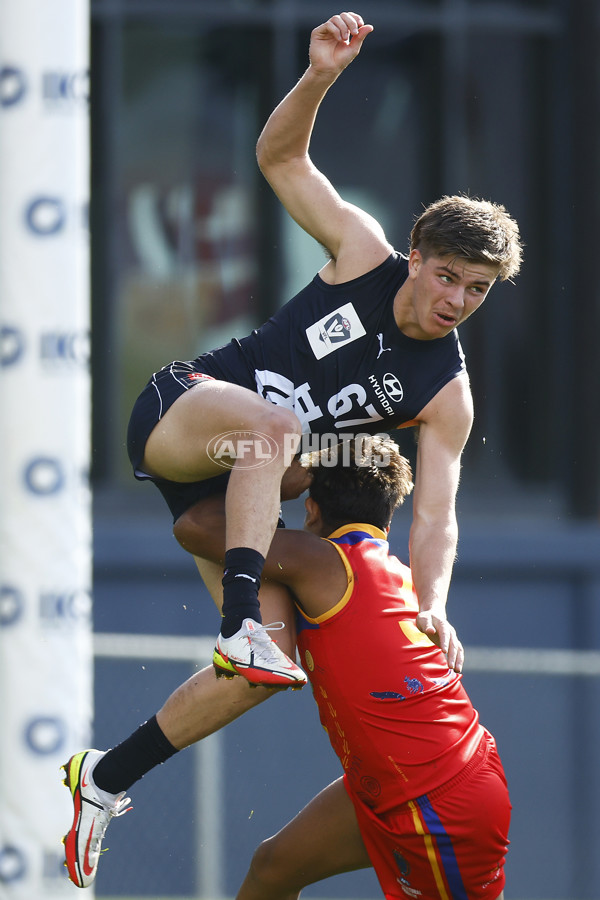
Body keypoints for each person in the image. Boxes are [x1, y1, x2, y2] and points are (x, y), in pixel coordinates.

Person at [61, 10, 521, 889]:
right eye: (448, 276)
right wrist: (318, 78)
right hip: (187, 415)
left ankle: (103, 779)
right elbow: (281, 161)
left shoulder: (447, 392)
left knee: (264, 675)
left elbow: (436, 514)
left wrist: (433, 608)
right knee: (278, 431)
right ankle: (241, 620)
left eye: (479, 289)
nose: (457, 299)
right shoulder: (364, 253)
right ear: (416, 254)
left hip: (238, 492)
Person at [172, 436, 512, 900]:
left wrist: (272, 481)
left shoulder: (322, 560)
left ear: (311, 509)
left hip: (436, 803)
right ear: (388, 515)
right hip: (417, 781)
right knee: (273, 868)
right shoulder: (390, 567)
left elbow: (194, 527)